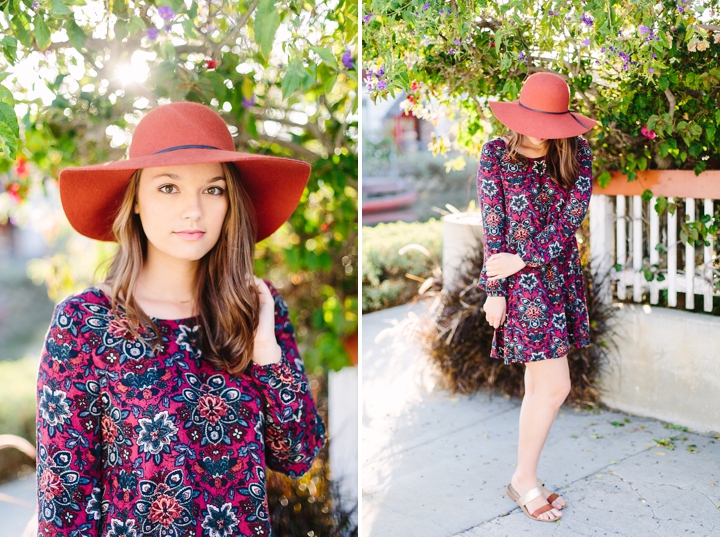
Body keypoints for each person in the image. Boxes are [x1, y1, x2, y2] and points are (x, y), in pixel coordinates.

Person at [35, 101, 327, 536]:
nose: (194, 209)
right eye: (168, 187)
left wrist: (266, 352)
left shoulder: (258, 308)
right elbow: (65, 504)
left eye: (213, 189)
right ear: (135, 201)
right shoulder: (83, 325)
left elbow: (298, 455)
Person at [476, 72, 597, 522]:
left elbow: (572, 218)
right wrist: (495, 290)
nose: (540, 132)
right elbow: (494, 227)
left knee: (539, 386)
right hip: (524, 289)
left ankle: (525, 477)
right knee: (556, 385)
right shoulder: (495, 154)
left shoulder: (576, 152)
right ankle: (523, 479)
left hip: (559, 277)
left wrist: (522, 258)